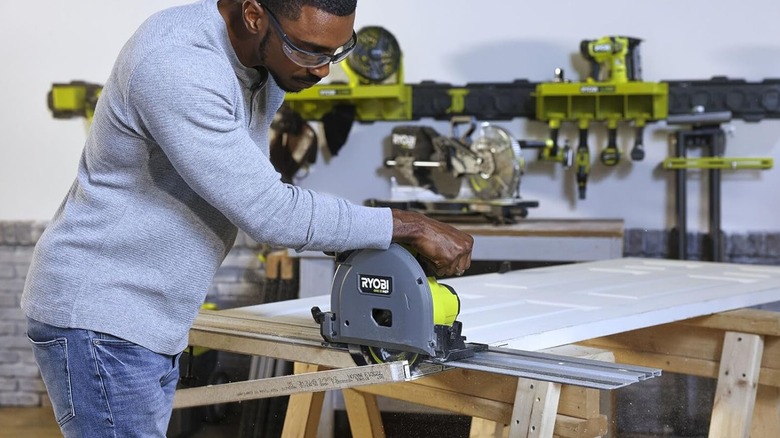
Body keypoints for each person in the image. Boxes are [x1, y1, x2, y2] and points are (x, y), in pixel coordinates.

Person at [21, 0, 473, 436]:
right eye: (308, 50)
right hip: (102, 317)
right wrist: (407, 224)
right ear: (255, 14)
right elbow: (269, 211)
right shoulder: (178, 62)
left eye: (336, 51)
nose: (322, 69)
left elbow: (257, 186)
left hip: (144, 319)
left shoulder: (264, 67)